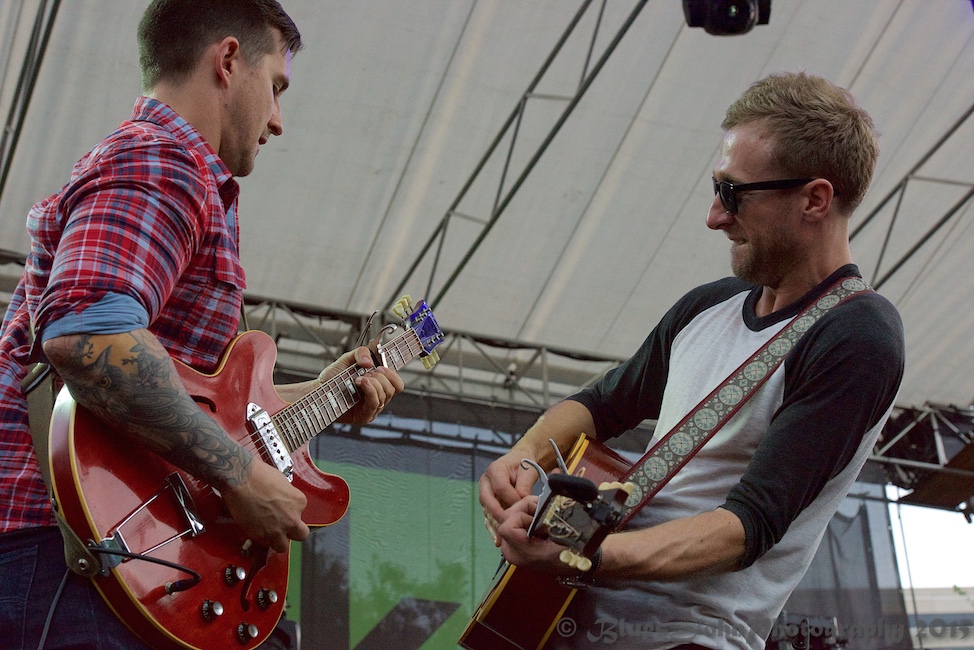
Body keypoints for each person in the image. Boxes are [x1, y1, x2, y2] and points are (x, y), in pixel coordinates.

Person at [0, 1, 403, 648]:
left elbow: (206, 401)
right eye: (276, 87)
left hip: (101, 563)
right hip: (70, 564)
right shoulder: (161, 161)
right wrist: (239, 475)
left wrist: (325, 392)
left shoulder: (174, 172)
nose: (278, 121)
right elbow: (88, 334)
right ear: (228, 61)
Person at [480, 71, 905, 650]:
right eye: (715, 188)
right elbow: (600, 405)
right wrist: (523, 456)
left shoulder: (858, 335)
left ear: (815, 199)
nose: (714, 216)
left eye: (734, 193)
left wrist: (584, 553)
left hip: (691, 635)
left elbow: (746, 527)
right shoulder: (707, 306)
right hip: (564, 616)